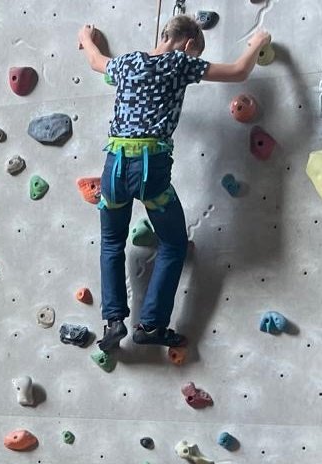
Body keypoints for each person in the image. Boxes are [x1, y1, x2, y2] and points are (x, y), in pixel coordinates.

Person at [77, 18, 272, 352]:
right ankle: (151, 325)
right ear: (188, 44)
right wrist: (258, 41)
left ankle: (113, 322)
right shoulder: (180, 63)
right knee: (173, 243)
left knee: (111, 243)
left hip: (113, 166)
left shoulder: (126, 63)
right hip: (149, 170)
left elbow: (96, 61)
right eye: (195, 51)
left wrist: (86, 36)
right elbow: (239, 71)